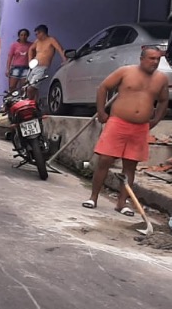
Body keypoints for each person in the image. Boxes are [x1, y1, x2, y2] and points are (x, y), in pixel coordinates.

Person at [82, 45, 170, 213]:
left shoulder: (161, 79)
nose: (155, 62)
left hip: (140, 127)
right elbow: (103, 87)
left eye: (158, 59)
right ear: (142, 58)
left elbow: (164, 100)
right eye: (151, 58)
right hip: (118, 122)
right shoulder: (125, 71)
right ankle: (93, 197)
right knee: (105, 160)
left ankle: (122, 203)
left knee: (130, 166)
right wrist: (101, 112)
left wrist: (156, 119)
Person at [26, 24, 65, 98]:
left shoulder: (51, 40)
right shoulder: (37, 41)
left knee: (31, 88)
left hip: (43, 67)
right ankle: (33, 105)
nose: (36, 36)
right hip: (33, 67)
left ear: (42, 33)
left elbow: (60, 49)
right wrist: (30, 61)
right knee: (28, 86)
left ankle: (29, 103)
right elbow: (31, 49)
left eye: (37, 34)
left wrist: (64, 60)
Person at [6, 28, 32, 93]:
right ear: (19, 36)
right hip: (15, 68)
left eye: (25, 35)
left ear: (27, 36)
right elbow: (10, 57)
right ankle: (11, 101)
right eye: (21, 35)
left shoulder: (31, 45)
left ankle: (22, 102)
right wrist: (8, 69)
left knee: (24, 88)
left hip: (26, 68)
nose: (23, 36)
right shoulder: (14, 45)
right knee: (12, 87)